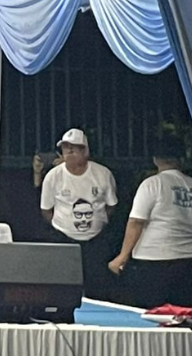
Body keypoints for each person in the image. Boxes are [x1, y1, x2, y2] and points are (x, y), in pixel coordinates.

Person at [108, 136, 192, 308]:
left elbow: (136, 222)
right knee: (185, 318)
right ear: (181, 159)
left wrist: (122, 256)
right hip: (190, 263)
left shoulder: (152, 184)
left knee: (152, 316)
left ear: (155, 160)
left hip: (153, 262)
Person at [40, 128, 118, 300]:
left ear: (85, 151)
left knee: (97, 288)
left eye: (74, 148)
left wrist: (98, 222)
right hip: (63, 239)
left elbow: (111, 206)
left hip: (96, 241)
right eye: (65, 148)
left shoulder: (103, 174)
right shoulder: (53, 176)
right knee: (63, 288)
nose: (69, 152)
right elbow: (46, 210)